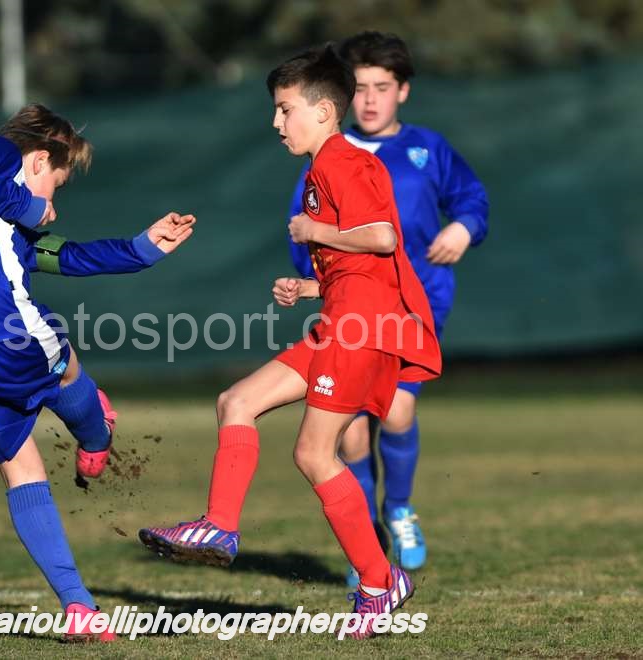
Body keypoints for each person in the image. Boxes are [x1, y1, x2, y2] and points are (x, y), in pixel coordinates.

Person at [138, 45, 441, 638]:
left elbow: (382, 237)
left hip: (362, 328)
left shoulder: (342, 162)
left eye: (285, 109)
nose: (276, 123)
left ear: (324, 111)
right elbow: (364, 262)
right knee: (236, 401)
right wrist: (311, 285)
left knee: (314, 454)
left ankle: (378, 583)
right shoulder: (324, 167)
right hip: (341, 319)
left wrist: (314, 229)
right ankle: (220, 525)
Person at [0, 103, 195, 642]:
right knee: (65, 362)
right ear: (38, 160)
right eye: (56, 185)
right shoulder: (0, 161)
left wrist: (142, 249)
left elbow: (69, 257)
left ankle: (79, 607)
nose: (53, 204)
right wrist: (30, 203)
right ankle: (95, 433)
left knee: (20, 467)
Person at [285, 32, 489, 583]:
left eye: (383, 86)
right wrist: (315, 281)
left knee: (397, 412)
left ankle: (398, 508)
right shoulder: (327, 154)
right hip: (353, 310)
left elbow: (470, 197)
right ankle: (369, 539)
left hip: (415, 305)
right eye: (361, 88)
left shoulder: (427, 149)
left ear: (403, 90)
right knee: (351, 434)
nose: (371, 99)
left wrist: (463, 227)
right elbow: (304, 229)